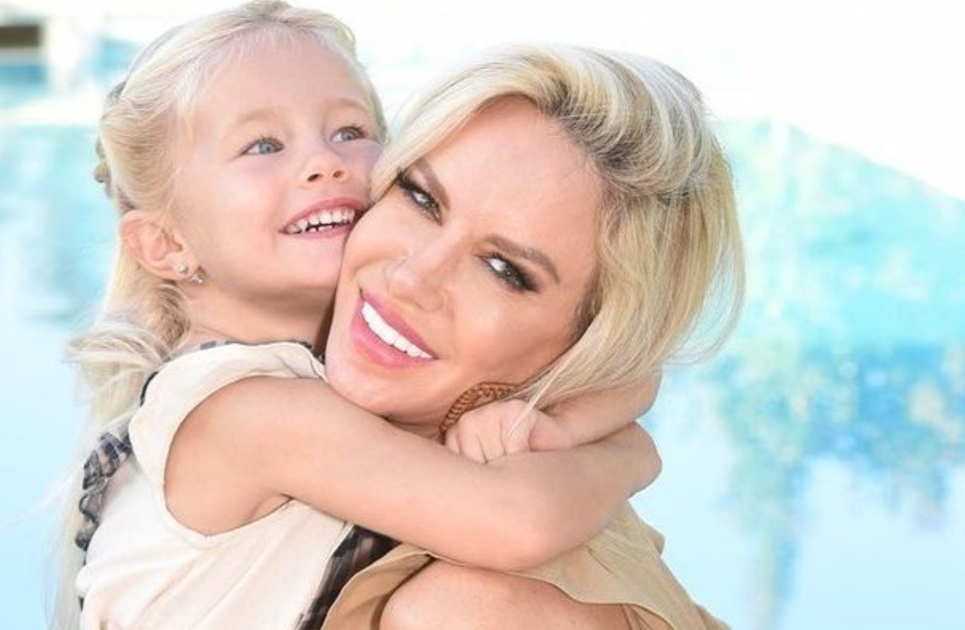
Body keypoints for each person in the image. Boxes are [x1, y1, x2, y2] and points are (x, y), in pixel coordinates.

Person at [51, 3, 662, 630]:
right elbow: (515, 522)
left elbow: (629, 375)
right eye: (263, 145)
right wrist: (630, 456)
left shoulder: (349, 373)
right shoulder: (245, 409)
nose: (326, 162)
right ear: (166, 244)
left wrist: (562, 424)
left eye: (349, 131)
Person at [315, 44, 744, 629]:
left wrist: (626, 452)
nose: (413, 278)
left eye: (504, 270)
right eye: (421, 198)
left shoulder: (465, 613)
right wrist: (622, 451)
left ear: (588, 348)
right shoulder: (274, 360)